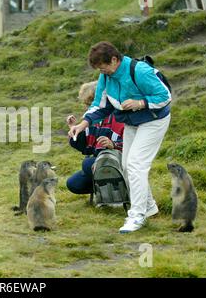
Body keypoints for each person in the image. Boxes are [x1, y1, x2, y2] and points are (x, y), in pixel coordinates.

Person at [69, 41, 171, 233]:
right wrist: (83, 124)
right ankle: (149, 208)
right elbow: (100, 105)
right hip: (131, 122)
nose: (102, 72)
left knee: (136, 165)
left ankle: (136, 215)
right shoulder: (106, 77)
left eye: (104, 67)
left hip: (153, 120)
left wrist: (141, 102)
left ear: (114, 59)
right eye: (99, 69)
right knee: (125, 165)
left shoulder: (139, 71)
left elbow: (164, 96)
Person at [66, 81, 124, 195]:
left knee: (88, 164)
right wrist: (75, 130)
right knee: (73, 183)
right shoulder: (92, 120)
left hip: (119, 162)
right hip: (99, 163)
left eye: (90, 104)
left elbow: (133, 144)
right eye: (87, 105)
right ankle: (104, 188)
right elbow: (86, 147)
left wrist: (113, 145)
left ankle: (118, 188)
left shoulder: (120, 117)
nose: (88, 108)